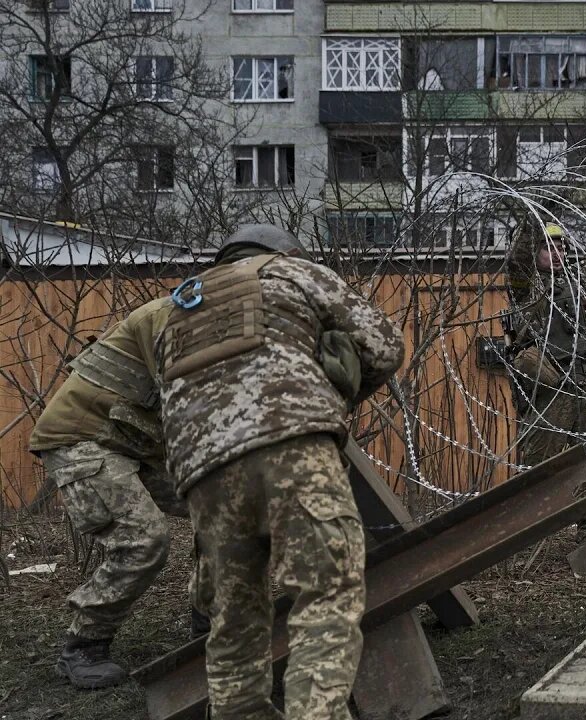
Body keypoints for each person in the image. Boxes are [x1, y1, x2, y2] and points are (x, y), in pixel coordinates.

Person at [159, 224, 404, 719]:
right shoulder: (293, 272)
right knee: (325, 595)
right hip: (291, 441)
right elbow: (384, 346)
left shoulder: (180, 309)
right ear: (287, 252)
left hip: (202, 471)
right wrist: (337, 387)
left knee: (233, 619)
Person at [29, 297, 186, 689]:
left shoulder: (227, 315)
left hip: (132, 439)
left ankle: (209, 616)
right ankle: (83, 647)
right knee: (143, 539)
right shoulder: (177, 313)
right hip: (82, 436)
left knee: (223, 506)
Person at [506, 216, 586, 543]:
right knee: (539, 464)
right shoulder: (526, 285)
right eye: (547, 246)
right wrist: (532, 216)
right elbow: (518, 260)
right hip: (552, 387)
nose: (556, 251)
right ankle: (524, 536)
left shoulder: (578, 279)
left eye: (560, 245)